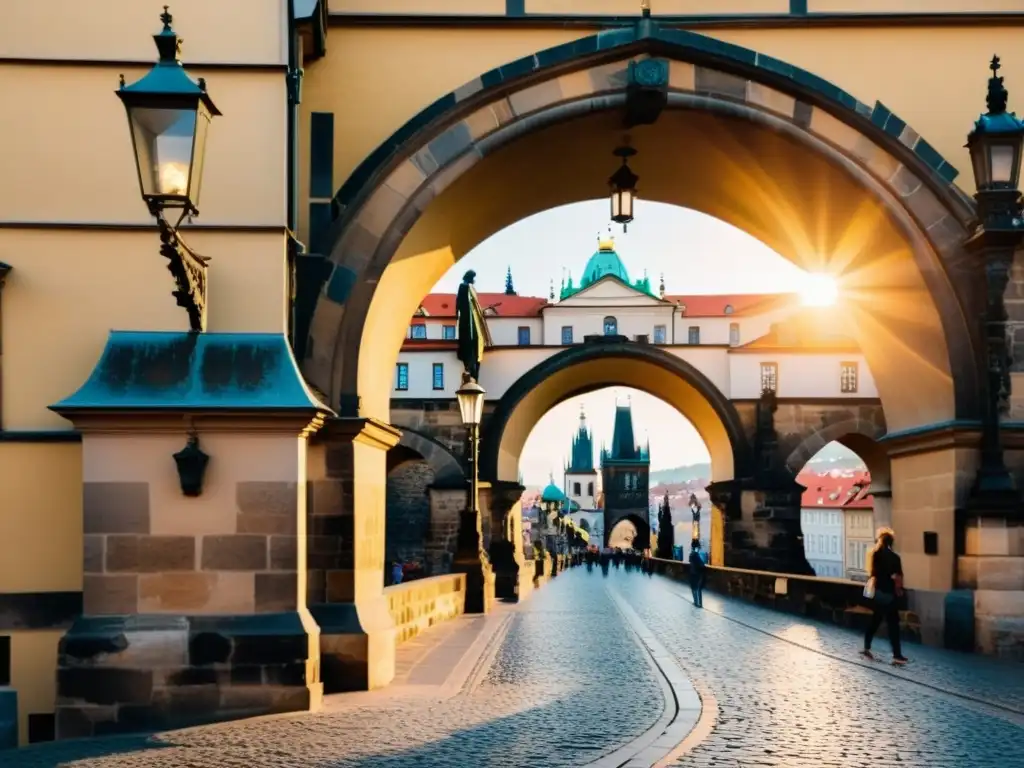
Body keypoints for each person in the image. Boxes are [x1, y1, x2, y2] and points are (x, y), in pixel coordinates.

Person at [861, 527, 909, 665]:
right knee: (893, 625)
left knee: (875, 621)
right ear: (891, 542)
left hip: (878, 593)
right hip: (890, 595)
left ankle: (866, 646)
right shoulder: (895, 558)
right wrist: (897, 587)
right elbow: (898, 577)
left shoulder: (875, 555)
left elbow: (873, 574)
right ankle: (897, 655)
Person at [688, 542, 707, 607]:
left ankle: (696, 602)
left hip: (692, 573)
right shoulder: (696, 555)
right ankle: (699, 603)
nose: (699, 549)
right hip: (697, 573)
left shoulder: (691, 554)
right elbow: (701, 564)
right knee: (697, 588)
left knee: (693, 588)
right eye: (698, 547)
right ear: (696, 547)